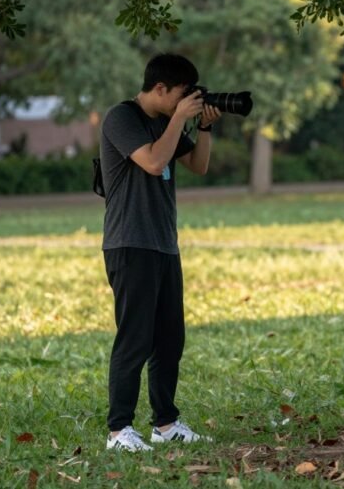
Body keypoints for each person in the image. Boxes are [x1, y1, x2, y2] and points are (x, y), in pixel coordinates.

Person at [98, 53, 221, 452]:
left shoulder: (168, 123)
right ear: (161, 89)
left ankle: (165, 424)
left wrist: (201, 127)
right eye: (183, 96)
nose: (187, 101)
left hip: (164, 243)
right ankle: (119, 431)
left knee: (170, 338)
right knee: (135, 338)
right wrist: (177, 121)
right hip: (130, 242)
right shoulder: (122, 117)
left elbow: (198, 166)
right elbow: (152, 162)